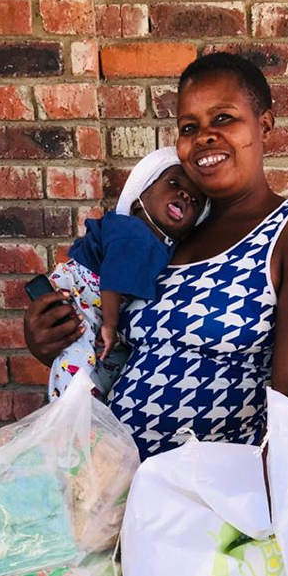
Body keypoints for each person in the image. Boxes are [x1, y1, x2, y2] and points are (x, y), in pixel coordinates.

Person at [25, 52, 288, 459]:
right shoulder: (168, 235)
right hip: (108, 475)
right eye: (189, 127)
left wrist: (253, 492)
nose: (205, 136)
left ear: (264, 125)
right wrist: (51, 341)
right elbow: (119, 351)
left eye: (223, 118)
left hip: (207, 490)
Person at [46, 147, 207, 400]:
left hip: (101, 307)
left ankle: (93, 404)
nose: (185, 195)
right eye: (174, 183)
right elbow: (114, 279)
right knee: (76, 357)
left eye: (195, 202)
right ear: (139, 196)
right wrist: (110, 325)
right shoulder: (133, 231)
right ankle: (67, 410)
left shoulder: (163, 246)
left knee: (109, 362)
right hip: (83, 296)